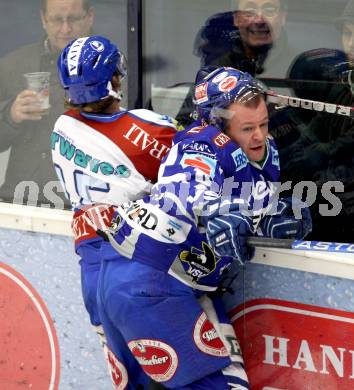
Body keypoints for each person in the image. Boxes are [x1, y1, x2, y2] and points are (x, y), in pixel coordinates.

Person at [97, 67, 311, 388]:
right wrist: (215, 209)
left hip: (182, 287)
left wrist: (278, 216)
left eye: (264, 124)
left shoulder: (264, 152)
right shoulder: (202, 143)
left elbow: (250, 210)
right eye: (248, 128)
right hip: (149, 280)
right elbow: (186, 186)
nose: (259, 136)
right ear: (217, 126)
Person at [53, 35, 177, 388]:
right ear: (116, 78)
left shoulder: (61, 127)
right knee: (175, 376)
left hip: (93, 273)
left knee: (129, 380)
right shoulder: (148, 129)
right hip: (138, 265)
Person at [0, 0, 95, 207]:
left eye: (73, 19)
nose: (65, 28)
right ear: (43, 20)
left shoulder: (112, 66)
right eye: (56, 20)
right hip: (20, 201)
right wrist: (11, 116)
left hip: (85, 206)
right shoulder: (12, 65)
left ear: (90, 17)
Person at [277, 0, 354, 242]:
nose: (351, 44)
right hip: (330, 219)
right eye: (347, 33)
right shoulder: (341, 88)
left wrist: (323, 153)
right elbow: (313, 134)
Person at [176, 0, 296, 126]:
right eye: (249, 11)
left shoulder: (299, 67)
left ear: (283, 16)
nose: (259, 20)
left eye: (269, 10)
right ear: (236, 19)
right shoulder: (216, 70)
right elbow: (188, 126)